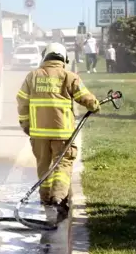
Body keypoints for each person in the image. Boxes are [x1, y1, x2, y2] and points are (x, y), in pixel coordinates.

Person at [16, 42, 100, 225]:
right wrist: (94, 104)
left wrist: (25, 124)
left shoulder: (33, 76)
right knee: (63, 165)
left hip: (38, 134)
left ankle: (46, 199)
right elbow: (85, 98)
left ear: (45, 57)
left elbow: (22, 101)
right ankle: (59, 198)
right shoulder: (69, 76)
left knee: (44, 167)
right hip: (63, 134)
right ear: (64, 58)